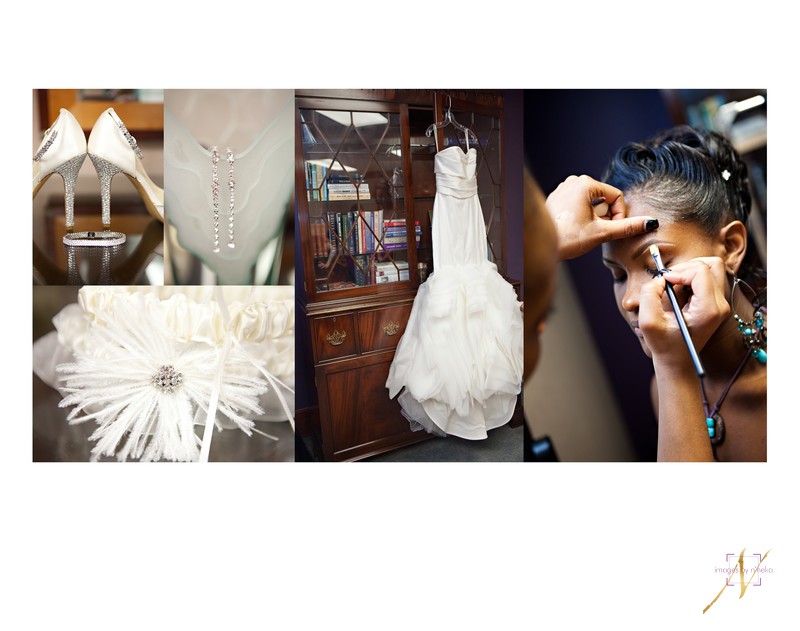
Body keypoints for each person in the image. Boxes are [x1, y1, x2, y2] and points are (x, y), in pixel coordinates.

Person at [542, 127, 766, 462]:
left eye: (655, 264)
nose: (629, 300)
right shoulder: (663, 389)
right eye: (617, 275)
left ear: (731, 247)